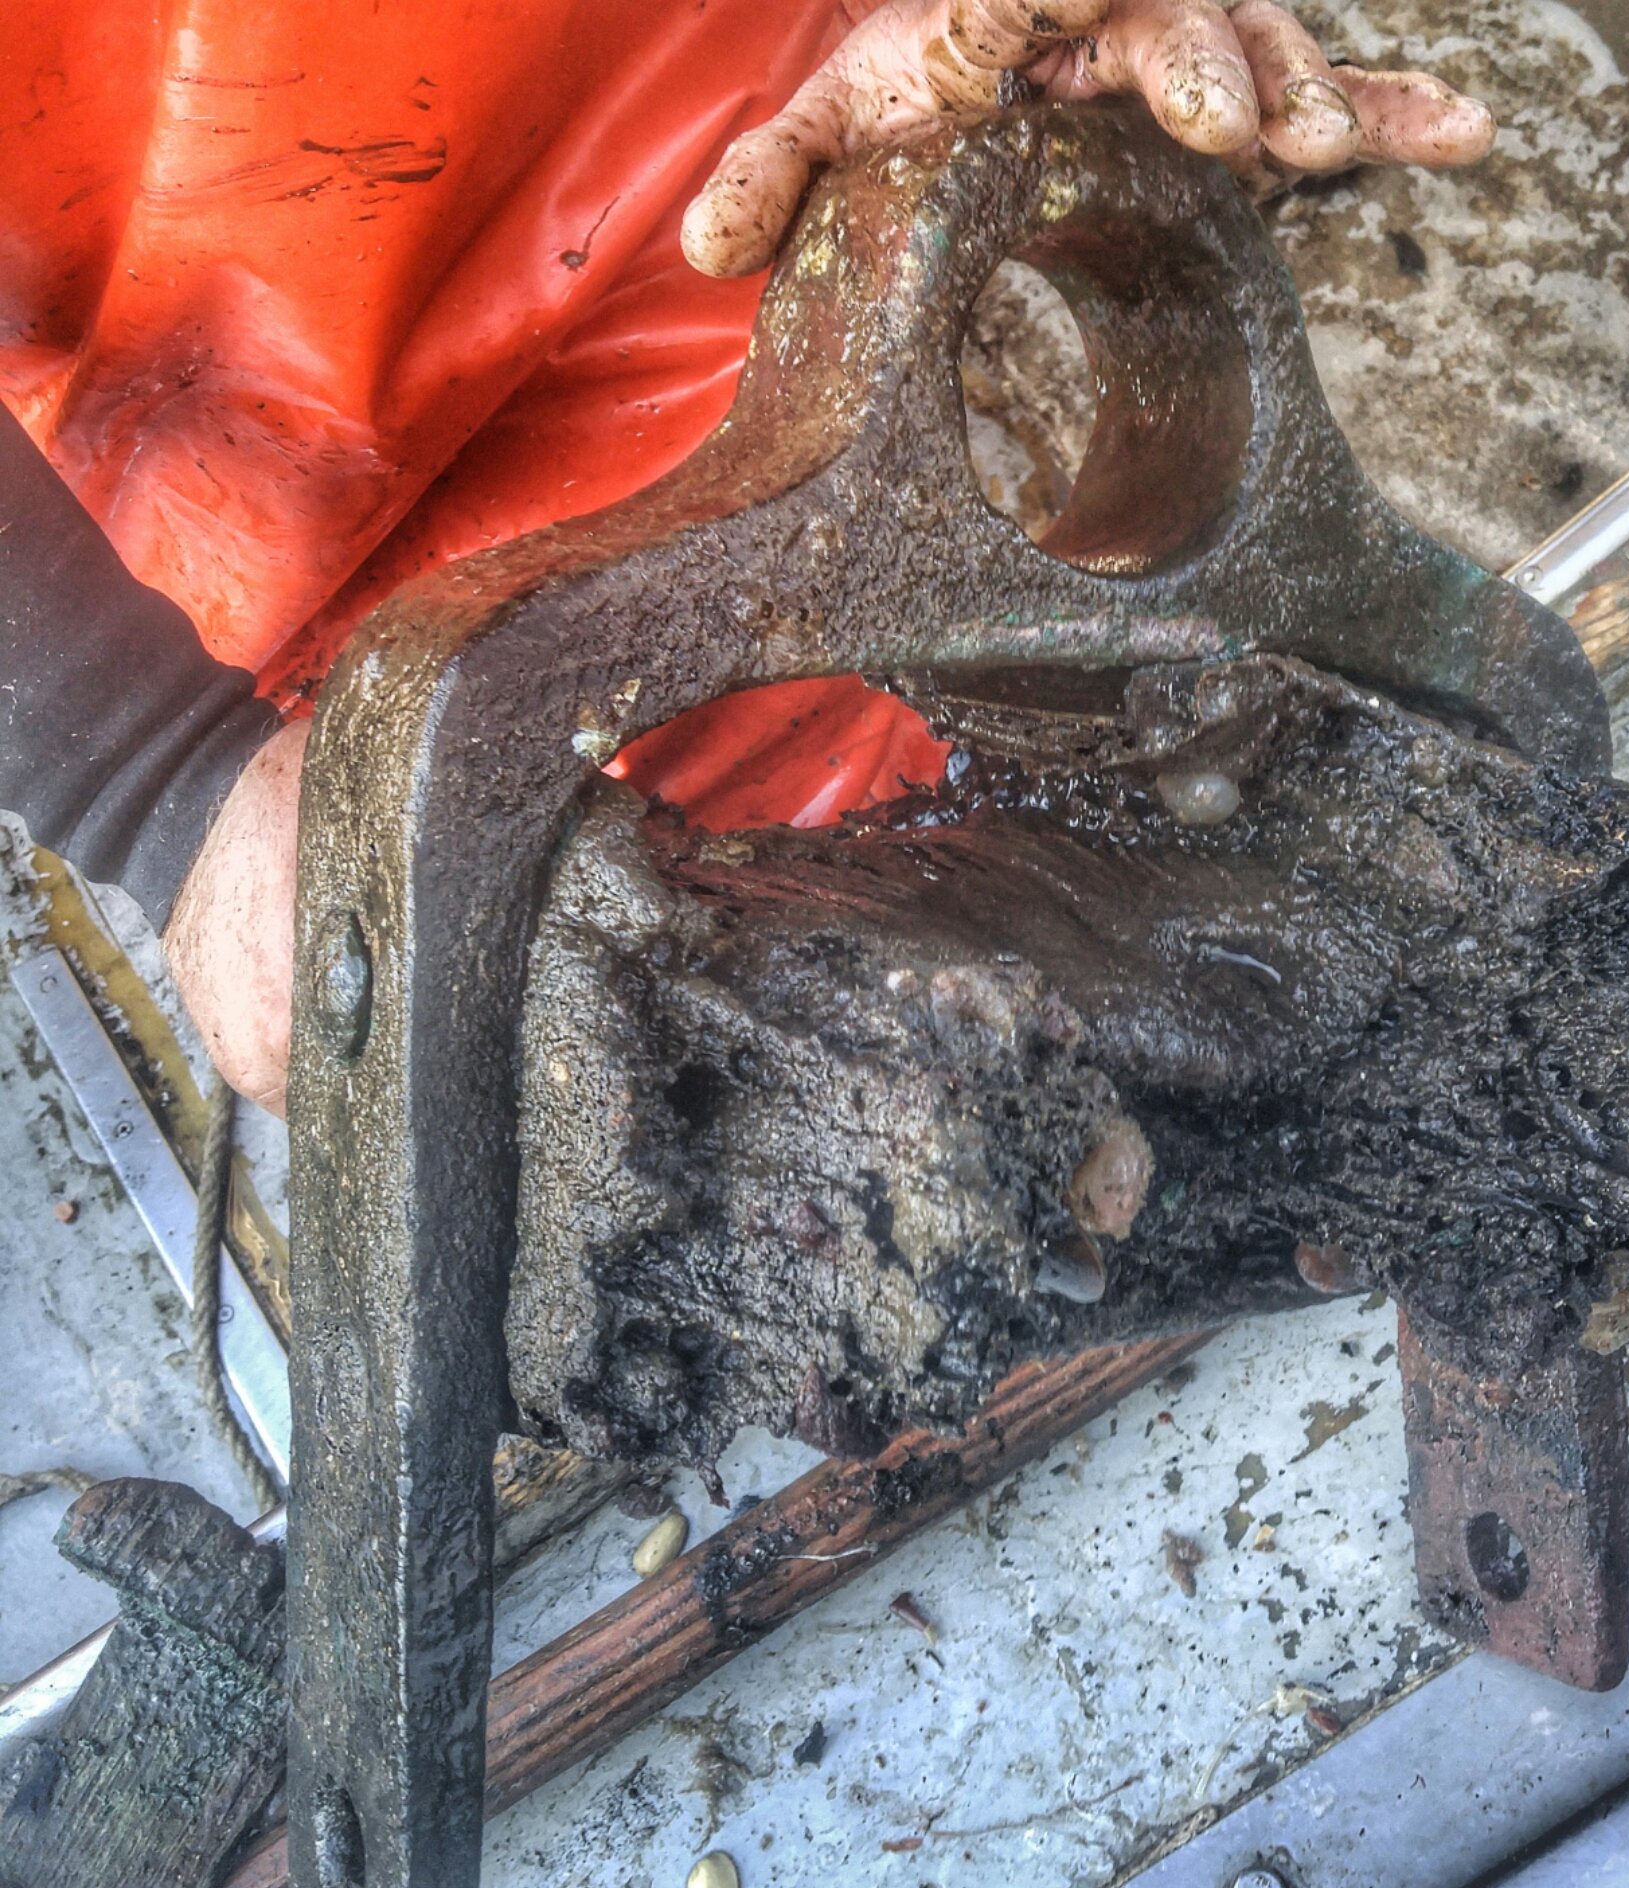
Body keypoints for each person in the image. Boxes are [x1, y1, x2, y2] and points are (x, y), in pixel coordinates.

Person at [0, 0, 1494, 1112]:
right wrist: (157, 776)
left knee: (840, 748)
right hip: (208, 387)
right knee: (593, 995)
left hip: (716, 125)